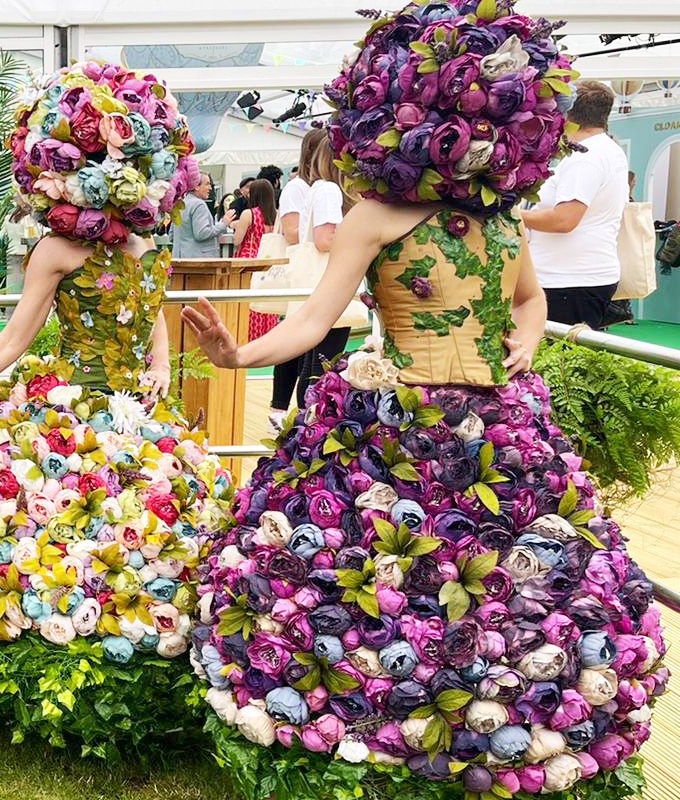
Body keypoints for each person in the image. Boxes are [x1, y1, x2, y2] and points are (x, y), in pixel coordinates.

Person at [184, 3, 665, 796]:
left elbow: (529, 302)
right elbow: (312, 318)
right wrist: (237, 356)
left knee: (513, 579)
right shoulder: (375, 217)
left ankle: (490, 725)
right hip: (392, 422)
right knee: (374, 574)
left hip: (501, 428)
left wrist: (529, 337)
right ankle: (379, 721)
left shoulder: (505, 221)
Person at [0, 60, 233, 766]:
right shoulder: (57, 249)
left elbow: (150, 316)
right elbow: (16, 335)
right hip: (69, 410)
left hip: (141, 419)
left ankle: (149, 693)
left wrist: (157, 365)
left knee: (152, 541)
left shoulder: (152, 243)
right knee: (29, 544)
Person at [521, 80, 629, 329]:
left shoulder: (586, 158)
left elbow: (565, 219)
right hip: (577, 279)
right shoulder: (607, 150)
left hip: (569, 283)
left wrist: (512, 215)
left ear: (568, 115)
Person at [265, 134, 356, 423]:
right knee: (321, 356)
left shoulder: (317, 188)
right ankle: (307, 418)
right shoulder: (328, 191)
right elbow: (323, 238)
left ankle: (302, 417)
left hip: (318, 279)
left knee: (313, 354)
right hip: (326, 279)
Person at [237, 178, 280, 338]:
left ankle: (249, 335)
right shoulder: (276, 215)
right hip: (269, 260)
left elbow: (237, 240)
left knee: (249, 301)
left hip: (249, 258)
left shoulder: (249, 214)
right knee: (268, 301)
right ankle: (268, 335)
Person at [173, 171, 231, 257]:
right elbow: (202, 233)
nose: (210, 188)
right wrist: (223, 224)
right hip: (199, 261)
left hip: (179, 259)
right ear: (196, 186)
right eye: (207, 184)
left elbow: (171, 235)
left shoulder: (180, 204)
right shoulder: (199, 204)